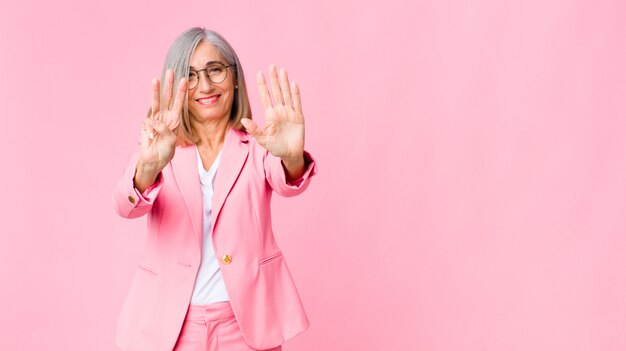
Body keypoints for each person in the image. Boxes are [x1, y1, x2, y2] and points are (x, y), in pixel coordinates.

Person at [112, 27, 317, 351]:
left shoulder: (258, 147)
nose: (205, 85)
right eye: (190, 76)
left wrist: (291, 155)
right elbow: (126, 206)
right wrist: (149, 166)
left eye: (215, 70)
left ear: (234, 76)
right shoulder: (159, 146)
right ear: (175, 86)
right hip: (172, 326)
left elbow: (287, 180)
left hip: (246, 326)